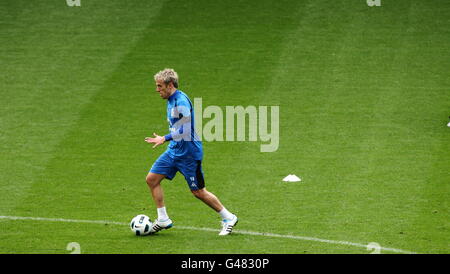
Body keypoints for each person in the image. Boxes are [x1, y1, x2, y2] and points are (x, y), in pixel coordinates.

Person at [144, 68, 238, 236]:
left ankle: (229, 218)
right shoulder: (170, 99)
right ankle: (163, 219)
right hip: (174, 151)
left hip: (189, 155)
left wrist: (164, 138)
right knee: (152, 179)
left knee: (198, 192)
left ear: (170, 85)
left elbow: (186, 130)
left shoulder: (181, 102)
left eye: (159, 86)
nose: (157, 90)